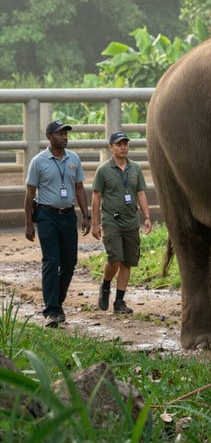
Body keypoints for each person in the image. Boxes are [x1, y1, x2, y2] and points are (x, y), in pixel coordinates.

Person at [24, 120, 91, 327]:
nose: (64, 137)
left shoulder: (74, 159)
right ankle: (51, 311)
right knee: (51, 261)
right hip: (47, 216)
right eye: (60, 134)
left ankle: (58, 302)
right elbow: (29, 193)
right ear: (49, 137)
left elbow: (79, 188)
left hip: (68, 216)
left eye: (66, 134)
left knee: (70, 263)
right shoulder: (38, 161)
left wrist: (86, 215)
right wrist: (28, 223)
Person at [91, 131, 152, 314]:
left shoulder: (135, 169)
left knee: (127, 261)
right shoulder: (103, 170)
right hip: (112, 220)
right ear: (111, 148)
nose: (123, 147)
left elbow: (141, 193)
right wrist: (95, 223)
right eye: (119, 144)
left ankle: (119, 301)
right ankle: (106, 285)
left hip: (131, 221)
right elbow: (96, 197)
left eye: (125, 143)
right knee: (115, 258)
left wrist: (147, 217)